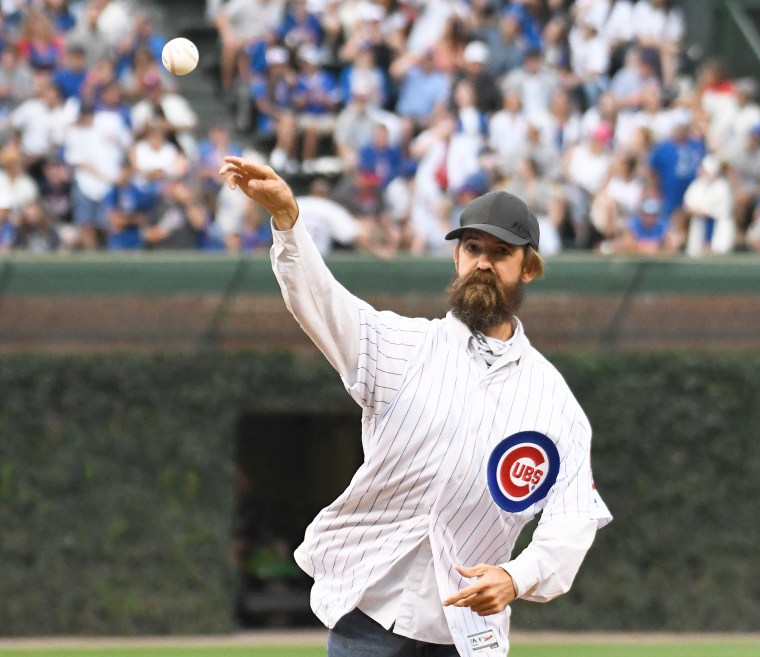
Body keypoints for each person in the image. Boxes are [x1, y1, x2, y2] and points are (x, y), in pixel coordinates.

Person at [218, 155, 612, 657]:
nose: (483, 262)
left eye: (502, 251)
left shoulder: (555, 404)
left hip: (468, 635)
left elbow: (572, 517)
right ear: (456, 256)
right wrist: (289, 224)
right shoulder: (402, 345)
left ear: (528, 268)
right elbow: (320, 302)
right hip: (369, 620)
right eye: (472, 247)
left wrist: (517, 577)